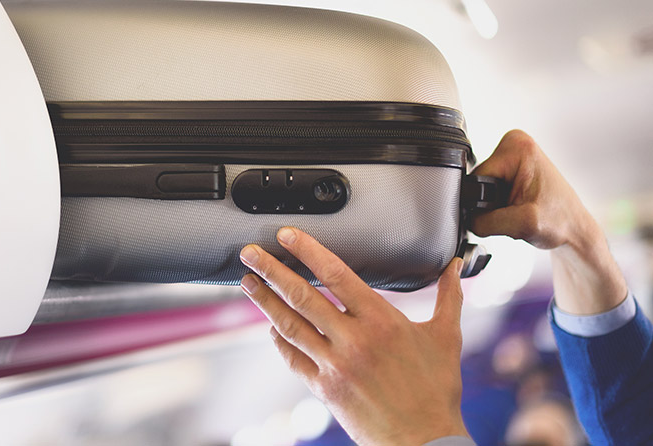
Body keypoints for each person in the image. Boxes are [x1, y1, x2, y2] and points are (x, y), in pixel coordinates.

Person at [238, 130, 652, 445]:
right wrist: (579, 242)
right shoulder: (530, 377)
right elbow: (632, 421)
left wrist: (424, 430)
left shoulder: (487, 409)